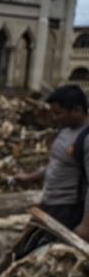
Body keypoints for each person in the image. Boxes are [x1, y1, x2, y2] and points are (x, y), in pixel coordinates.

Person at [14, 84, 89, 250]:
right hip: (50, 203)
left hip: (68, 209)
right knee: (23, 250)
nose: (55, 118)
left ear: (76, 110)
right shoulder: (65, 130)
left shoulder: (86, 138)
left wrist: (86, 226)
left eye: (58, 113)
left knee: (45, 254)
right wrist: (31, 176)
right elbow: (57, 164)